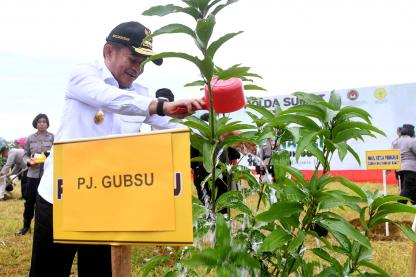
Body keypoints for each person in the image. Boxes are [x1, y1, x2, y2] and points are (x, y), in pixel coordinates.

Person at [29, 21, 204, 277]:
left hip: (105, 204)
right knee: (48, 271)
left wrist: (210, 121)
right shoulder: (84, 76)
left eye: (143, 63)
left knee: (100, 271)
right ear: (108, 51)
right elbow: (110, 99)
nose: (138, 69)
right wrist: (161, 105)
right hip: (61, 199)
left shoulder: (141, 95)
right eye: (133, 59)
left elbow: (172, 124)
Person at [19, 114, 54, 236]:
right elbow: (25, 155)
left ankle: (46, 229)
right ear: (36, 124)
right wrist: (28, 161)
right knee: (29, 201)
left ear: (47, 124)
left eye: (44, 121)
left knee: (46, 203)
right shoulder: (30, 138)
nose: (42, 123)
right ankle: (26, 226)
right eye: (39, 122)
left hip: (48, 176)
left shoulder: (53, 138)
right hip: (32, 175)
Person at [392, 124, 416, 203]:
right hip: (411, 168)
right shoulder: (412, 141)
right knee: (408, 188)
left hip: (399, 168)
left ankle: (414, 204)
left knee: (409, 188)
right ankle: (399, 205)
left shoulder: (395, 142)